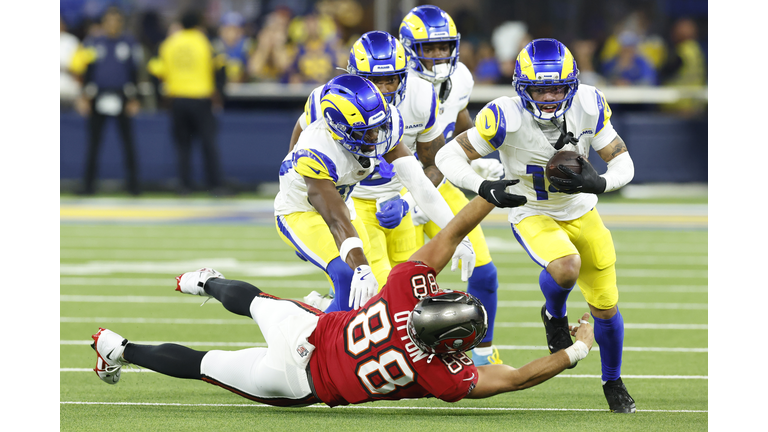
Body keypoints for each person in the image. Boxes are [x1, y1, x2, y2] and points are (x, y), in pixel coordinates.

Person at [90, 193, 596, 408]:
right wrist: (576, 351)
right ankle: (118, 348)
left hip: (307, 331)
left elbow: (447, 238)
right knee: (205, 364)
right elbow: (516, 377)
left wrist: (486, 197)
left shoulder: (403, 292)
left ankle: (203, 282)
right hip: (298, 381)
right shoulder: (441, 374)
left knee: (255, 302)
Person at [434, 38, 637, 413]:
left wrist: (600, 182)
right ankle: (554, 315)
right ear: (522, 87)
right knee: (565, 266)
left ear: (571, 85)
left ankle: (613, 380)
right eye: (539, 88)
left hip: (580, 208)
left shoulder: (589, 104)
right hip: (531, 210)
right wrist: (482, 185)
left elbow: (622, 160)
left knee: (606, 306)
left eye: (556, 87)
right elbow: (448, 154)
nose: (548, 96)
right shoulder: (505, 116)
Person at [287, 31, 474, 312]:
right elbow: (299, 164)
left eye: (391, 79)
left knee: (408, 292)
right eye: (374, 80)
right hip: (349, 198)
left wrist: (415, 208)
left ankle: (331, 307)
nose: (385, 89)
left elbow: (428, 172)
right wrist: (313, 230)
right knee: (377, 296)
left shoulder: (411, 104)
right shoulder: (327, 101)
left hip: (395, 194)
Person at [399, 5, 506, 366]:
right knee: (399, 286)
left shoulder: (460, 76)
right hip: (393, 191)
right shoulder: (398, 86)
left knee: (484, 271)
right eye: (429, 48)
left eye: (444, 46)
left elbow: (459, 119)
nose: (438, 55)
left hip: (438, 180)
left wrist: (475, 152)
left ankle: (482, 350)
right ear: (410, 48)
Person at [147, 10, 227, 196]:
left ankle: (184, 186)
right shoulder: (205, 41)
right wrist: (219, 94)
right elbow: (220, 67)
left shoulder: (169, 43)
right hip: (201, 98)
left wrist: (161, 97)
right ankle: (215, 185)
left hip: (177, 99)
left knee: (183, 145)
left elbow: (154, 70)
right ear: (198, 24)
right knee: (208, 143)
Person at [69, 7, 141, 196]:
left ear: (121, 23)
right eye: (109, 21)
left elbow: (135, 72)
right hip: (97, 95)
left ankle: (133, 187)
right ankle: (88, 186)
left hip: (122, 95)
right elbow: (84, 70)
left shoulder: (129, 43)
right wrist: (84, 96)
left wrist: (134, 98)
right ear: (103, 23)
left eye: (116, 21)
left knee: (128, 143)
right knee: (93, 143)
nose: (112, 25)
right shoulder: (93, 43)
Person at [212, 11, 253, 84]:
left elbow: (253, 70)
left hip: (244, 87)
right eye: (228, 29)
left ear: (242, 31)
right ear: (221, 30)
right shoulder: (215, 46)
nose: (232, 33)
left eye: (235, 29)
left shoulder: (248, 46)